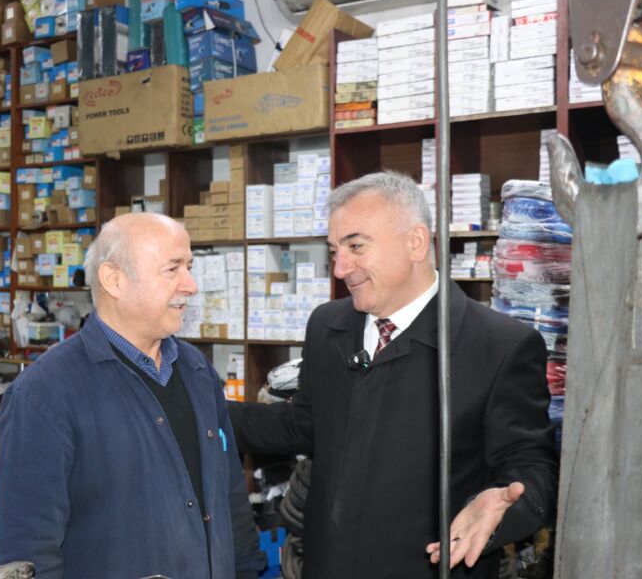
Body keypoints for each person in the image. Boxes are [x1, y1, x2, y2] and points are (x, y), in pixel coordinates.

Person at [228, 171, 558, 578]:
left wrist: (505, 509)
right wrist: (204, 410)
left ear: (415, 243)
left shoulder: (500, 345)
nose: (340, 268)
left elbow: (531, 467)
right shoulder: (327, 325)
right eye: (334, 250)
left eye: (355, 246)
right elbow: (304, 424)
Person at [0, 212, 265, 579]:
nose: (191, 285)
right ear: (114, 279)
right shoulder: (44, 394)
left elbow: (230, 497)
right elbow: (28, 551)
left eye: (189, 268)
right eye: (173, 269)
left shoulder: (197, 372)